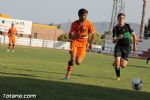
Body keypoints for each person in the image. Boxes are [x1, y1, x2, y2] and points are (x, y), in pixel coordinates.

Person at [64, 8, 96, 80]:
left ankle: (80, 56)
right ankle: (68, 73)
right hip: (75, 42)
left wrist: (91, 43)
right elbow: (70, 35)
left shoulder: (89, 23)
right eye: (83, 15)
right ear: (79, 15)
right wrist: (75, 36)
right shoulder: (74, 23)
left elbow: (94, 34)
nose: (85, 17)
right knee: (72, 59)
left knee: (78, 62)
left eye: (86, 15)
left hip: (83, 44)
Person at [112, 13, 137, 80]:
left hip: (127, 48)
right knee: (117, 61)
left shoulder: (127, 26)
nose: (121, 20)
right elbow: (113, 41)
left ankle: (116, 62)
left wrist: (134, 46)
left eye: (123, 19)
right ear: (117, 19)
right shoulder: (115, 28)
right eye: (120, 18)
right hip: (118, 47)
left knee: (123, 65)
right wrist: (118, 38)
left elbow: (134, 36)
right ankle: (118, 77)